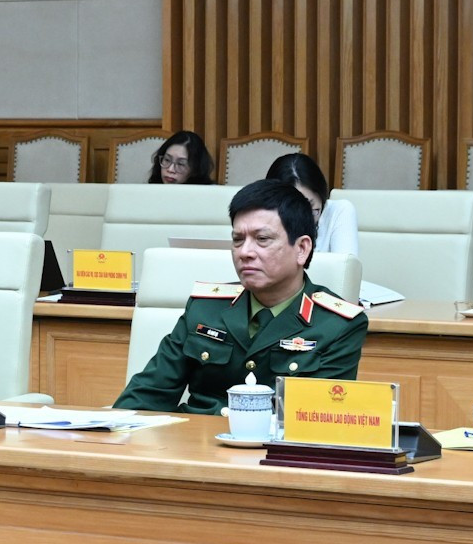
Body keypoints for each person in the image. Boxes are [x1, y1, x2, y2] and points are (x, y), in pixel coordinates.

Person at [114, 180, 367, 414]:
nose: (245, 252)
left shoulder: (338, 325)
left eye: (262, 239)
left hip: (274, 458)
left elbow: (314, 420)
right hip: (192, 450)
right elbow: (146, 396)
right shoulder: (204, 309)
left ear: (302, 249)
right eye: (237, 240)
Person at [265, 151, 358, 257]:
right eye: (293, 208)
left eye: (310, 207)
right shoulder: (265, 218)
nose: (303, 217)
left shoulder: (339, 212)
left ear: (320, 194)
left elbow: (345, 268)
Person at [149, 131, 215, 185]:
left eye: (180, 164)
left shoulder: (209, 195)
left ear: (195, 169)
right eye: (167, 160)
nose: (170, 169)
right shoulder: (148, 191)